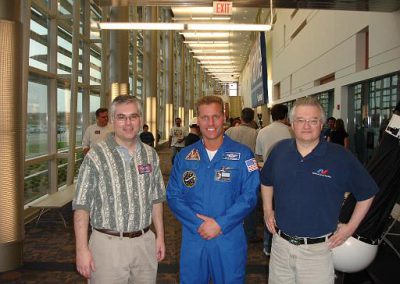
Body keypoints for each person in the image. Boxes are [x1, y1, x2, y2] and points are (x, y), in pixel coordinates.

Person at [261, 97, 378, 284]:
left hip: (317, 252)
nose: (306, 126)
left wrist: (350, 228)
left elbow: (367, 192)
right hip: (280, 247)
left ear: (322, 124)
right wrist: (268, 210)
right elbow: (266, 181)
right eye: (300, 120)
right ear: (291, 123)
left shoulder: (340, 157)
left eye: (313, 120)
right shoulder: (280, 151)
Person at [167, 95, 260, 283]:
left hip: (228, 236)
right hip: (195, 237)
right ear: (197, 120)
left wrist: (220, 224)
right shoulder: (185, 156)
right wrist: (198, 224)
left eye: (216, 116)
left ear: (223, 118)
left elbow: (249, 195)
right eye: (205, 117)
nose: (211, 123)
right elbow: (173, 195)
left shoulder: (243, 155)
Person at [73, 95, 166, 283]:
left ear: (140, 119)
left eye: (133, 116)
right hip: (107, 246)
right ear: (113, 120)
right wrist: (81, 250)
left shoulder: (150, 155)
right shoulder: (96, 156)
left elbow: (156, 199)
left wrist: (160, 237)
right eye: (122, 117)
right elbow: (81, 206)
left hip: (144, 243)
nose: (128, 123)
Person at [255, 103, 294, 256]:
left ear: (271, 116)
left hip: (268, 177)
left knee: (268, 210)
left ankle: (267, 245)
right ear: (286, 116)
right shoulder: (291, 131)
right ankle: (286, 243)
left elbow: (258, 155)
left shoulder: (262, 132)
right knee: (286, 210)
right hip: (289, 177)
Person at [225, 107, 260, 243]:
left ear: (241, 117)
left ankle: (228, 227)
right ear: (252, 119)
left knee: (229, 200)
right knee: (250, 201)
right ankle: (250, 233)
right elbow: (257, 153)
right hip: (248, 172)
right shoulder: (255, 133)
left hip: (229, 170)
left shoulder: (230, 130)